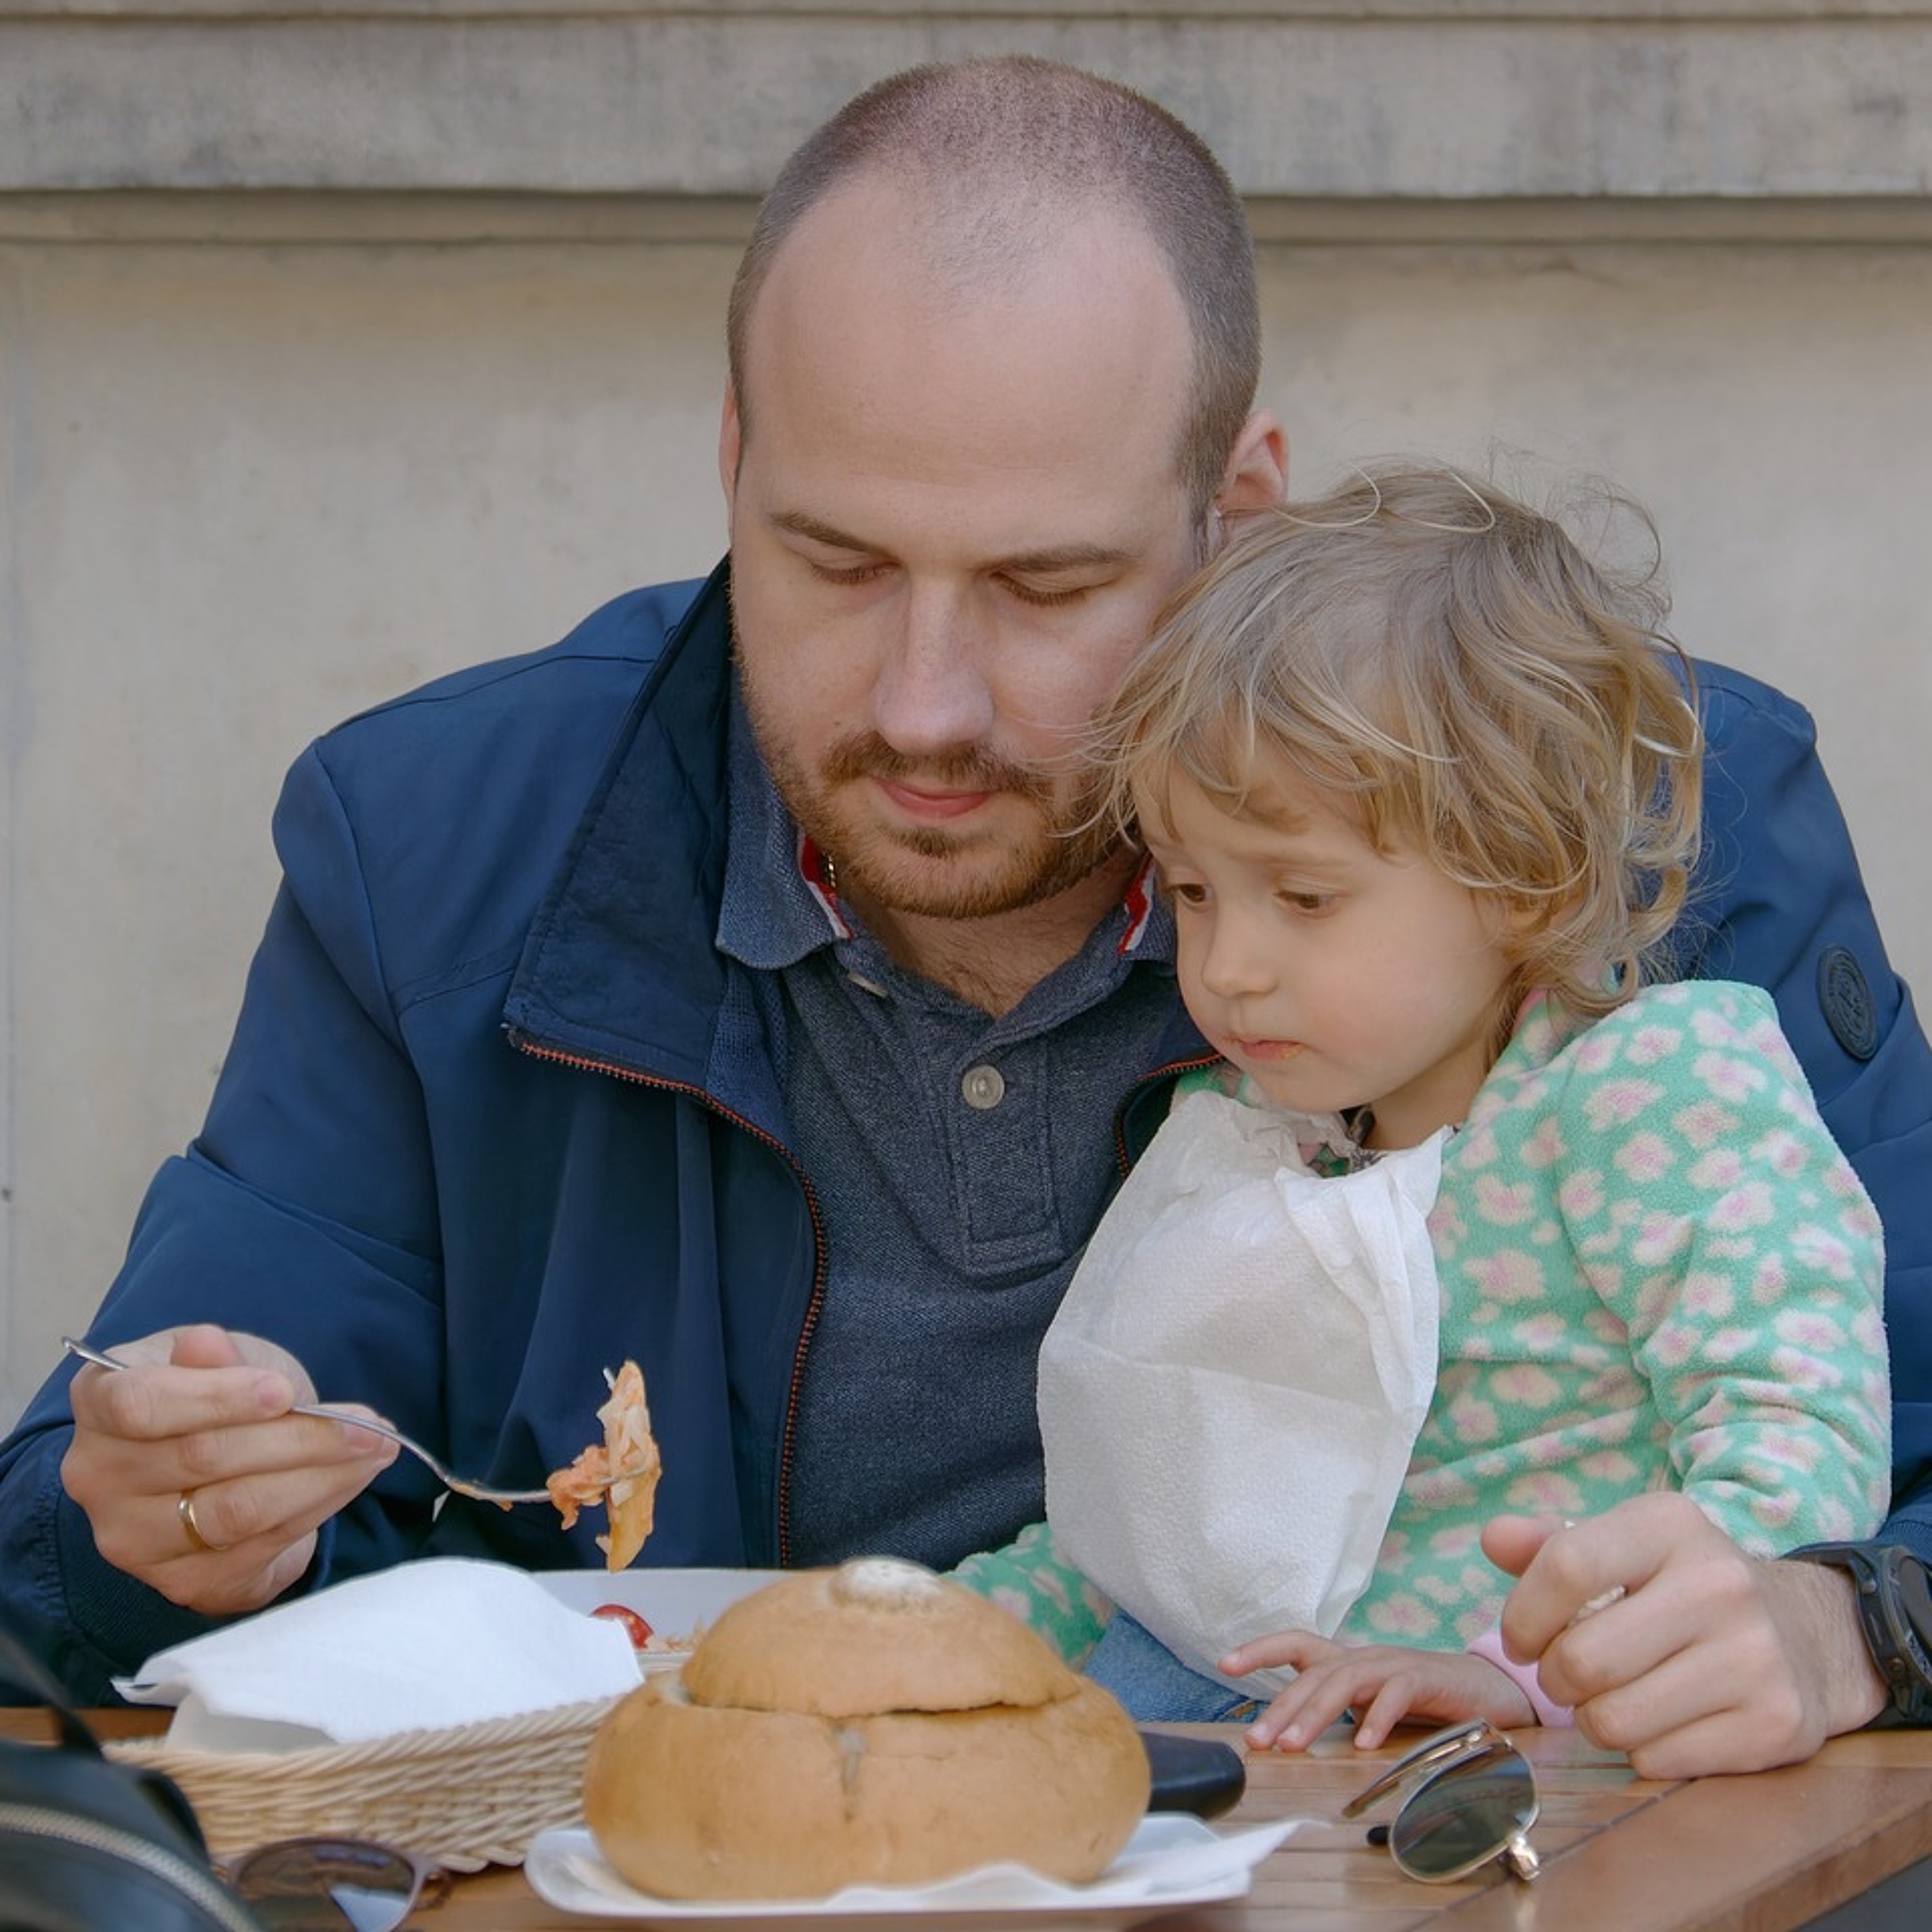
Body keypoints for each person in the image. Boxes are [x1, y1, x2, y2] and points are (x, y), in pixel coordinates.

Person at [0, 58, 1926, 1778]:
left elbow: (1893, 1440)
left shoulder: (1599, 798)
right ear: (734, 463)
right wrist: (158, 1530)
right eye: (836, 562)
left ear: (1239, 507)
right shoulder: (436, 848)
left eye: (1044, 584)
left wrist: (1842, 1625)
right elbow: (59, 1558)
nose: (926, 705)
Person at [1007, 465, 1891, 1747]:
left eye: (1303, 896)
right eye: (1194, 892)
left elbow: (1797, 1440)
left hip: (1521, 1773)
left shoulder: (1648, 1092)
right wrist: (932, 1626)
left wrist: (1531, 1676)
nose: (1229, 966)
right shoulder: (1251, 1130)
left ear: (1526, 878)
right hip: (1214, 1740)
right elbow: (1130, 1529)